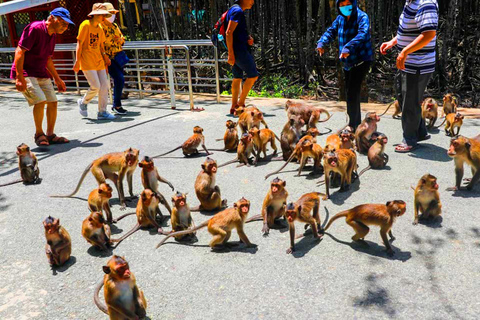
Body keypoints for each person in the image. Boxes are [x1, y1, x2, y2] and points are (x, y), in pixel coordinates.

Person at [381, 0, 438, 153]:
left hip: (418, 63)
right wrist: (393, 42)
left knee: (410, 102)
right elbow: (407, 30)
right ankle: (420, 131)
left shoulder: (426, 3)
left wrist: (405, 51)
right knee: (403, 96)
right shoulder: (410, 2)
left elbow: (428, 34)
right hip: (408, 63)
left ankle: (410, 139)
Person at [11, 8, 74, 146]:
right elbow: (19, 51)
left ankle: (50, 135)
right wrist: (19, 77)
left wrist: (57, 78)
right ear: (52, 18)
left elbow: (48, 59)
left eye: (67, 24)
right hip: (26, 71)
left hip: (40, 71)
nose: (65, 26)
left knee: (53, 101)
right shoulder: (35, 28)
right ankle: (39, 134)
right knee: (40, 101)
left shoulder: (53, 35)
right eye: (63, 22)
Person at [316, 0, 373, 131]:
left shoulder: (362, 17)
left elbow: (363, 34)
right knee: (350, 92)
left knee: (352, 91)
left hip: (361, 60)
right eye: (341, 5)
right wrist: (321, 43)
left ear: (353, 3)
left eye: (347, 3)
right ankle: (354, 123)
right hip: (347, 62)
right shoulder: (340, 19)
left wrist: (348, 47)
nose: (344, 7)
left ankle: (353, 125)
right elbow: (331, 31)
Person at [74, 3, 115, 120]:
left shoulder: (100, 28)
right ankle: (83, 101)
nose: (104, 18)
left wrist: (105, 58)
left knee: (104, 86)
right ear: (96, 15)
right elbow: (79, 44)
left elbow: (101, 46)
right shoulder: (85, 25)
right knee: (95, 86)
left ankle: (102, 112)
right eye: (102, 15)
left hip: (99, 61)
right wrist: (77, 61)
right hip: (87, 60)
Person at [225, 0, 258, 115]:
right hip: (238, 50)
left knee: (237, 77)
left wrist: (248, 38)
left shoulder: (233, 9)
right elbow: (228, 32)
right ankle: (240, 104)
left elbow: (235, 32)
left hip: (237, 48)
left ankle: (234, 106)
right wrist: (231, 53)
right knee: (253, 75)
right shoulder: (237, 11)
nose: (253, 2)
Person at [100, 2, 128, 115]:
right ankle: (116, 104)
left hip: (118, 56)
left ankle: (116, 104)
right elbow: (101, 43)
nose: (112, 15)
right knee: (119, 79)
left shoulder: (115, 26)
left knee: (119, 80)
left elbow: (122, 38)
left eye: (113, 13)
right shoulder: (100, 27)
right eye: (109, 13)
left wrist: (120, 40)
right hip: (108, 57)